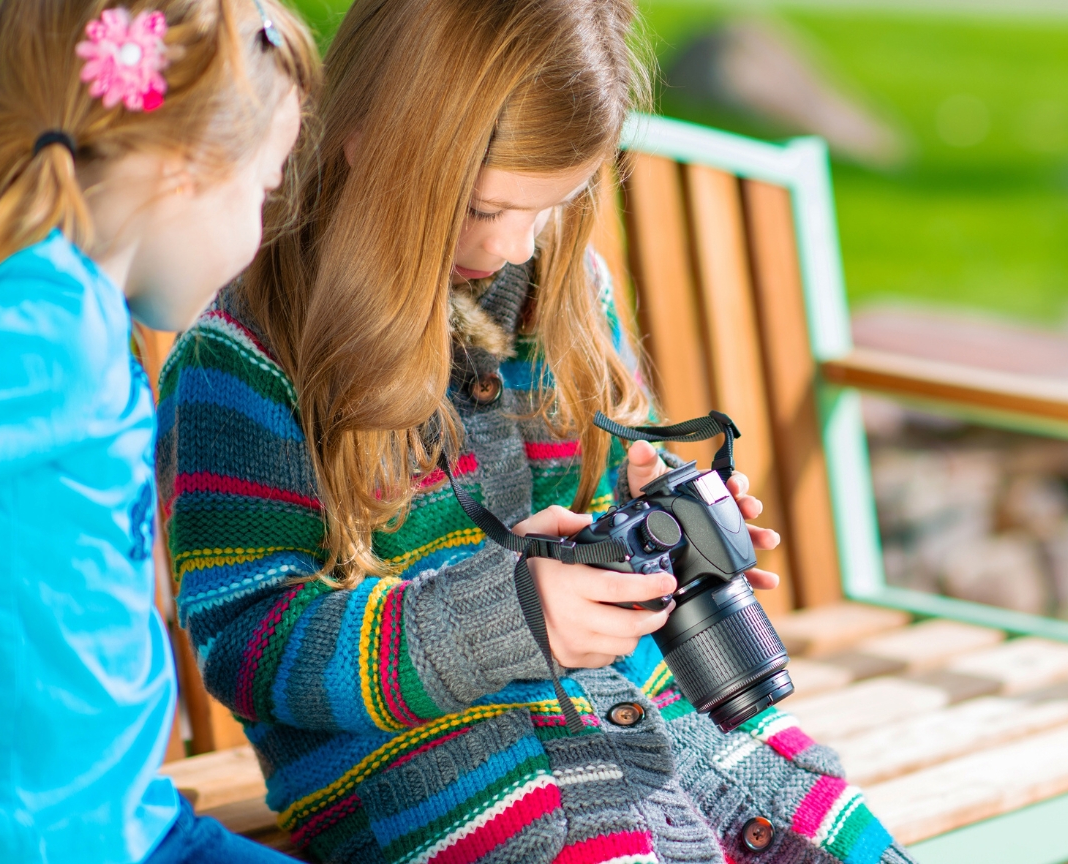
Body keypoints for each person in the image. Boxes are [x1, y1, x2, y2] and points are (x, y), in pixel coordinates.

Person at [155, 0, 914, 862]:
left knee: (839, 840)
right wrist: (502, 616)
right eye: (485, 209)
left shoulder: (560, 292)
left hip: (657, 716)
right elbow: (250, 642)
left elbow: (594, 487)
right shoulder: (252, 354)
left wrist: (656, 512)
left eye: (551, 206)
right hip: (438, 777)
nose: (517, 245)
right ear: (371, 141)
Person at [0, 1, 318, 861]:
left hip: (123, 817)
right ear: (183, 169)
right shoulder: (45, 324)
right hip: (52, 841)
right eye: (265, 187)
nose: (258, 233)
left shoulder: (10, 296)